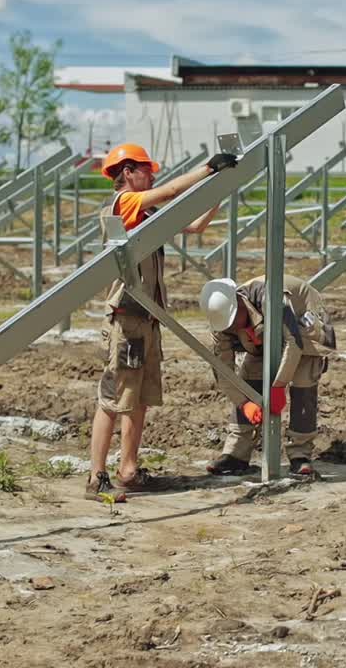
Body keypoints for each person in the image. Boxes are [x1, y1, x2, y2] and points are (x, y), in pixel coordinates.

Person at [85, 143, 238, 502]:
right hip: (126, 318)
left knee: (140, 399)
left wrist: (219, 190)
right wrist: (208, 169)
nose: (152, 174)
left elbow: (196, 226)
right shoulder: (125, 203)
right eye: (145, 169)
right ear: (127, 172)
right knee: (113, 399)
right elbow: (170, 191)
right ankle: (96, 477)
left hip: (147, 318)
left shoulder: (147, 211)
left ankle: (129, 469)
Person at [200, 275, 336, 477]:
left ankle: (300, 455)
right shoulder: (221, 322)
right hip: (263, 334)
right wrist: (244, 402)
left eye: (234, 321)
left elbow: (293, 342)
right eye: (228, 326)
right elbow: (223, 370)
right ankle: (236, 453)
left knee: (303, 381)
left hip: (302, 326)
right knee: (248, 379)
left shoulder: (270, 297)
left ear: (239, 302)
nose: (232, 329)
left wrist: (279, 385)